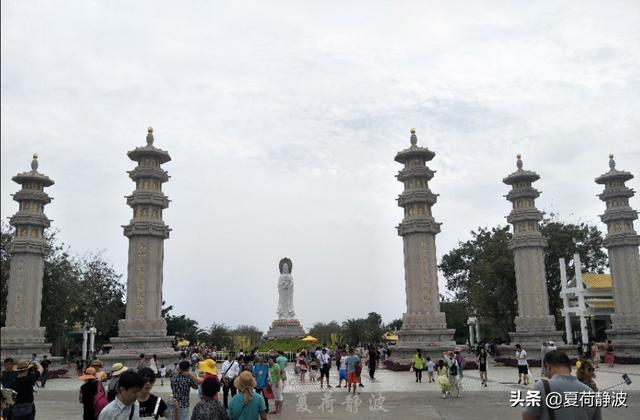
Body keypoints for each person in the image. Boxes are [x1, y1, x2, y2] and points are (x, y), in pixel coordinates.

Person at [522, 350, 602, 420]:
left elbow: (527, 418)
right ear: (569, 368)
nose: (546, 374)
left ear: (548, 366)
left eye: (545, 370)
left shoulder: (540, 387)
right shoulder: (590, 392)